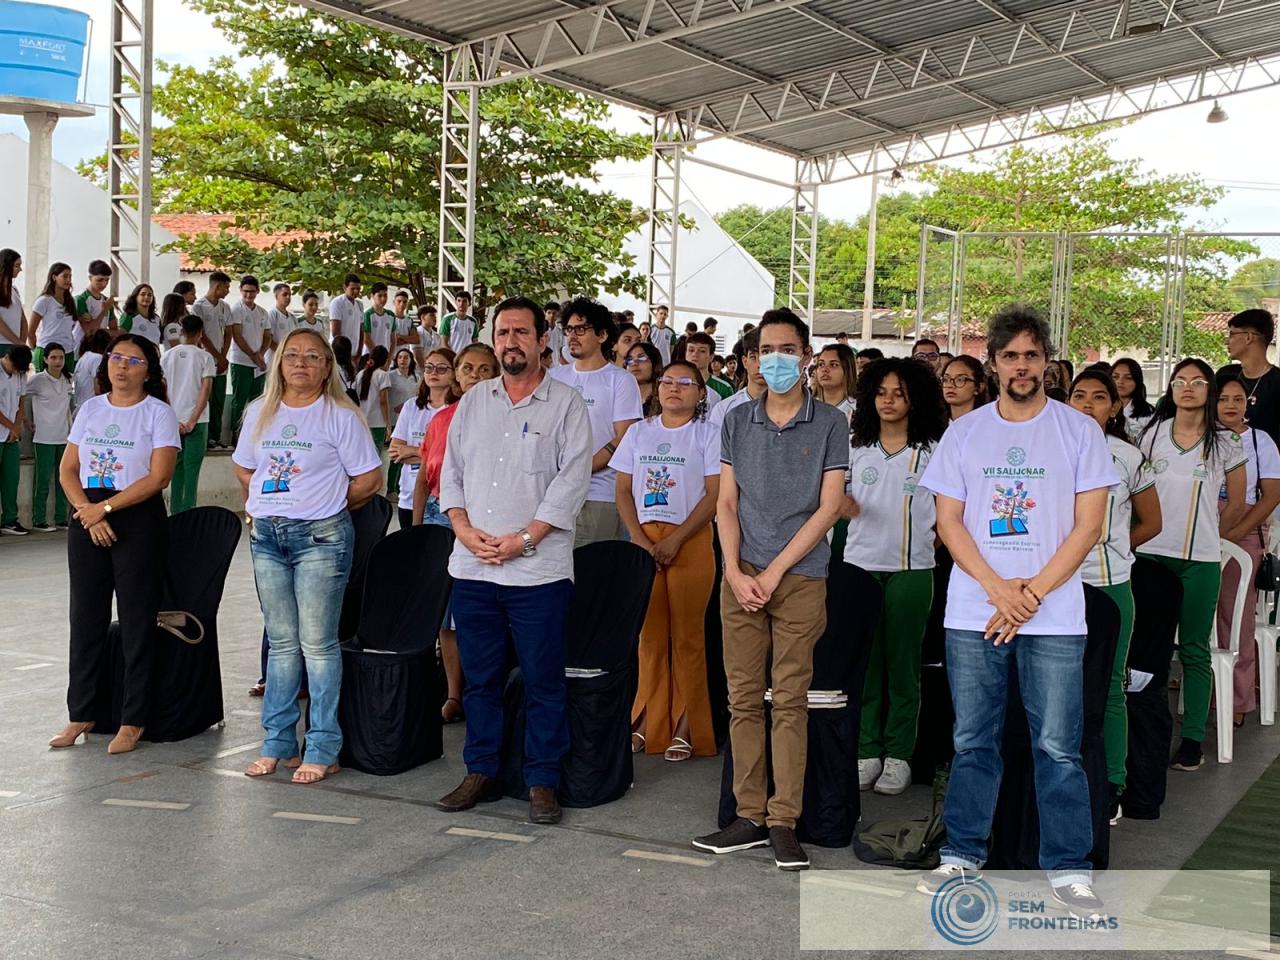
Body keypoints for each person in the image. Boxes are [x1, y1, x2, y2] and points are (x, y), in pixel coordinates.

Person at [916, 304, 1114, 918]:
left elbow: (1089, 527)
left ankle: (1069, 867)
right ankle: (963, 853)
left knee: (1058, 746)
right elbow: (948, 522)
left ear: (1046, 363)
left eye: (1031, 355)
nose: (1021, 366)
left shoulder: (1079, 430)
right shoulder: (966, 432)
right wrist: (1000, 590)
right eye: (1009, 356)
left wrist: (1026, 596)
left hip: (1054, 614)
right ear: (993, 364)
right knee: (973, 739)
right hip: (974, 609)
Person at [692, 308, 848, 872]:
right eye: (766, 349)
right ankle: (748, 815)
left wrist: (774, 570)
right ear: (753, 357)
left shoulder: (830, 424)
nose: (776, 359)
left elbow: (828, 508)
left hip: (799, 576)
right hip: (741, 575)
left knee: (788, 700)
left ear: (806, 357)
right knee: (741, 699)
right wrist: (734, 570)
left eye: (788, 349)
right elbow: (726, 503)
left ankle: (784, 820)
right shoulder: (735, 420)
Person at [435, 297, 592, 826]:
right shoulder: (474, 401)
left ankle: (542, 780)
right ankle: (480, 770)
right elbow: (450, 474)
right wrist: (461, 527)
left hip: (537, 571)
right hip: (473, 565)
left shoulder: (566, 404)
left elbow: (570, 483)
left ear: (541, 340)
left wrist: (526, 538)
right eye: (503, 333)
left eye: (522, 332)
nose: (511, 342)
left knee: (544, 680)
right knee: (480, 680)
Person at [234, 328, 382, 783]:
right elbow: (243, 466)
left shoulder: (340, 415)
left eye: (313, 357)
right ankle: (277, 743)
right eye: (292, 355)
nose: (301, 363)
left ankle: (322, 745)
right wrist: (271, 503)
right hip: (267, 539)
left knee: (317, 646)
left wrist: (326, 505)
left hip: (321, 540)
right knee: (281, 646)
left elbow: (369, 479)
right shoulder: (259, 411)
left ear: (326, 368)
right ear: (279, 363)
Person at [52, 335, 180, 753]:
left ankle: (133, 716)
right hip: (86, 514)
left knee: (136, 619)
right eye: (116, 358)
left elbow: (158, 478)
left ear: (149, 370)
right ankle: (81, 711)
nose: (122, 367)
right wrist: (86, 510)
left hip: (135, 516)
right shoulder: (90, 408)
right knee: (85, 617)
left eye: (134, 361)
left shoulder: (158, 413)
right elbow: (68, 468)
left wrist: (103, 509)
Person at [1135, 358, 1246, 772]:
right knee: (1146, 648)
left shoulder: (1226, 442)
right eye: (1180, 381)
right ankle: (1142, 730)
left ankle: (1193, 739)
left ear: (1209, 390)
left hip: (1199, 560)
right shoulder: (1150, 435)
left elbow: (1236, 503)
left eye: (1198, 382)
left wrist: (1211, 535)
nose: (1188, 388)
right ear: (1170, 388)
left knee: (1196, 649)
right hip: (1149, 555)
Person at [845, 358, 946, 795]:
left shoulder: (933, 452)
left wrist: (928, 544)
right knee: (866, 666)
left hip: (911, 570)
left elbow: (951, 516)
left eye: (899, 393)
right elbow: (835, 499)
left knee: (903, 667)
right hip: (859, 568)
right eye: (882, 392)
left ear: (915, 399)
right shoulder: (855, 448)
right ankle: (867, 751)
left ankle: (899, 755)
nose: (888, 401)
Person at [612, 359, 720, 762]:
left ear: (700, 393)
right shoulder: (639, 433)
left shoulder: (708, 435)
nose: (674, 388)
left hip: (689, 539)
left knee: (689, 637)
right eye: (668, 381)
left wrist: (676, 538)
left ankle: (687, 725)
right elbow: (623, 490)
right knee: (650, 637)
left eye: (685, 383)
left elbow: (713, 495)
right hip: (645, 539)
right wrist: (640, 539)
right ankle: (645, 719)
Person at [1068, 368, 1162, 823]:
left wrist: (1116, 546)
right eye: (1078, 395)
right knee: (1056, 686)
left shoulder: (1127, 456)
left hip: (1110, 585)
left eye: (1098, 397)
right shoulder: (1046, 453)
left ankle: (1111, 783)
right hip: (1057, 586)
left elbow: (1151, 521)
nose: (1087, 405)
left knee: (1109, 688)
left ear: (1116, 406)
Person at [412, 343, 499, 723]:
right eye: (468, 369)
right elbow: (422, 477)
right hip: (438, 517)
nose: (475, 376)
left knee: (479, 611)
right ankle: (453, 694)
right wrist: (417, 531)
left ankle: (487, 693)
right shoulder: (441, 419)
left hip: (483, 520)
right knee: (445, 614)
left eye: (485, 370)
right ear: (456, 376)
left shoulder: (504, 420)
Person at [1215, 372, 1280, 729]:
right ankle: (1203, 685)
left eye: (1238, 400)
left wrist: (1235, 532)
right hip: (1201, 530)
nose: (1230, 406)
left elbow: (1270, 495)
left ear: (1247, 405)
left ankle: (1237, 698)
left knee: (1235, 617)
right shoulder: (1202, 438)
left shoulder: (1260, 441)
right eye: (1223, 399)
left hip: (1244, 532)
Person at [549, 296, 642, 545]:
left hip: (599, 494)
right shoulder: (554, 377)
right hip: (553, 493)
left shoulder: (620, 380)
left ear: (602, 335)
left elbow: (625, 437)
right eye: (569, 329)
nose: (573, 336)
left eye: (581, 329)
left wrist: (581, 469)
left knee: (593, 575)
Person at [389, 347, 455, 530]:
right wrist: (434, 457)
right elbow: (395, 452)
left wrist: (411, 451)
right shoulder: (412, 406)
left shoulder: (458, 410)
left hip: (442, 498)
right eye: (429, 367)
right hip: (408, 496)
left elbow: (452, 459)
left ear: (454, 373)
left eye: (442, 368)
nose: (434, 372)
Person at [161, 307, 215, 514]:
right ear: (200, 333)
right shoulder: (204, 357)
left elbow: (163, 390)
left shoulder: (167, 356)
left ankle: (175, 513)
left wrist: (172, 418)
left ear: (181, 331)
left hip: (172, 420)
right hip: (198, 421)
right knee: (192, 472)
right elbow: (205, 390)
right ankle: (189, 512)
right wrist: (192, 419)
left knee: (176, 471)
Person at [24, 342, 73, 531]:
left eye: (61, 357)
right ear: (44, 359)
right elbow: (19, 396)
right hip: (43, 437)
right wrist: (26, 421)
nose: (57, 361)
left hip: (65, 437)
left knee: (64, 480)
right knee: (43, 480)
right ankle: (39, 520)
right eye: (53, 357)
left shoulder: (68, 380)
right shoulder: (37, 380)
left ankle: (61, 518)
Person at [1218, 307, 1280, 446]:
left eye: (1232, 334)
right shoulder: (1225, 375)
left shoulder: (1276, 382)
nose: (1227, 341)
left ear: (1248, 337)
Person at [227, 276, 272, 442]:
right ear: (240, 290)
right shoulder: (236, 309)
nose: (248, 295)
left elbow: (267, 336)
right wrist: (253, 356)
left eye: (252, 291)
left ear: (257, 292)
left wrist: (260, 354)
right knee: (239, 401)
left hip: (259, 364)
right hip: (241, 362)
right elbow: (237, 335)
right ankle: (236, 434)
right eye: (245, 291)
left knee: (256, 401)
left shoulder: (262, 312)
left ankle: (253, 433)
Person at [191, 272, 233, 448]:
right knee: (204, 398)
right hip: (206, 359)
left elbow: (229, 332)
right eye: (226, 287)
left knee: (218, 399)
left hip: (221, 360)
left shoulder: (225, 307)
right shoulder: (198, 306)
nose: (228, 291)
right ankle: (205, 437)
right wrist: (216, 355)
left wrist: (223, 356)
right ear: (217, 286)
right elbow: (202, 336)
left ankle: (216, 437)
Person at [0, 345, 31, 535]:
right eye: (14, 367)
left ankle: (9, 519)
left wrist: (17, 427)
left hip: (11, 436)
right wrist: (12, 426)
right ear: (7, 357)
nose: (16, 372)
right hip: (5, 429)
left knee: (11, 478)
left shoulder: (20, 374)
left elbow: (21, 401)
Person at [707, 327, 764, 432]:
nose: (760, 365)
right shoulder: (724, 409)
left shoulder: (791, 407)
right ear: (744, 361)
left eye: (765, 358)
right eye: (753, 357)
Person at [29, 263, 81, 373]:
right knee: (44, 387)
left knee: (65, 387)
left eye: (70, 276)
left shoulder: (71, 302)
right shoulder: (44, 301)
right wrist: (37, 350)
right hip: (47, 350)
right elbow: (31, 331)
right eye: (65, 276)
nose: (68, 280)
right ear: (54, 277)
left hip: (67, 351)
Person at [386, 347, 419, 499]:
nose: (403, 360)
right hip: (394, 418)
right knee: (396, 455)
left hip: (411, 421)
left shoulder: (416, 377)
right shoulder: (391, 376)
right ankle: (390, 488)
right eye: (400, 357)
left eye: (406, 357)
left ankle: (401, 487)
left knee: (409, 454)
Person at [74, 260, 117, 356]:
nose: (104, 284)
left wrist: (99, 331)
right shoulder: (81, 299)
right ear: (90, 278)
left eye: (107, 280)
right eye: (100, 280)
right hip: (81, 352)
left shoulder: (107, 300)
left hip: (101, 352)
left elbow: (115, 331)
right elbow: (89, 331)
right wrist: (104, 310)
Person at [357, 345, 392, 463]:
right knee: (375, 458)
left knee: (361, 457)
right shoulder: (382, 375)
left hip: (360, 421)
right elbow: (383, 401)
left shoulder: (360, 374)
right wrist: (388, 424)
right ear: (385, 359)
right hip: (377, 423)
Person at [1110, 357, 1155, 443]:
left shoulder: (1149, 414)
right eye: (1115, 377)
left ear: (1137, 381)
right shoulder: (1101, 408)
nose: (1120, 381)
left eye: (1128, 378)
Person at [813, 343, 857, 423]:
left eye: (833, 365)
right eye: (821, 364)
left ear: (847, 369)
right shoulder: (807, 408)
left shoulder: (858, 410)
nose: (824, 369)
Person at [683, 332, 727, 406]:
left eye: (702, 351)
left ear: (711, 357)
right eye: (691, 350)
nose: (695, 354)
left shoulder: (723, 388)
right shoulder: (673, 384)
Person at [941, 354, 989, 421]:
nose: (950, 385)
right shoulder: (934, 425)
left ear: (979, 387)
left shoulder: (987, 424)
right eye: (946, 379)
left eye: (960, 380)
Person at [0, 249, 27, 359]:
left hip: (14, 346)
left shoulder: (14, 290)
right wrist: (18, 342)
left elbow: (23, 321)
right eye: (17, 265)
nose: (20, 269)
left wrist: (22, 344)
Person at [624, 341, 662, 418]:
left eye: (641, 358)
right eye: (629, 359)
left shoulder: (664, 399)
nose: (634, 363)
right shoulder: (620, 397)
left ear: (655, 363)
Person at [74, 329, 110, 408]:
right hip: (91, 406)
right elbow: (98, 389)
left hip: (80, 405)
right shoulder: (97, 358)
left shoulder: (84, 357)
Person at [328, 274, 364, 352]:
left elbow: (361, 331)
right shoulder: (337, 303)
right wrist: (344, 354)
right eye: (352, 288)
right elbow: (335, 332)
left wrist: (359, 352)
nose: (356, 291)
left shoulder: (359, 305)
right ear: (345, 287)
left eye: (358, 289)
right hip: (339, 352)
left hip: (354, 351)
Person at [263, 283, 295, 371]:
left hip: (289, 361)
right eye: (284, 294)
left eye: (289, 295)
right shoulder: (272, 315)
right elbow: (268, 340)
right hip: (274, 360)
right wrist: (283, 353)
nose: (288, 297)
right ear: (276, 296)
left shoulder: (292, 318)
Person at [361, 282, 397, 356]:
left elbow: (393, 340)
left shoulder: (391, 315)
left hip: (385, 358)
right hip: (370, 356)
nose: (383, 299)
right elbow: (366, 339)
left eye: (385, 295)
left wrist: (389, 359)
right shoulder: (367, 314)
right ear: (372, 296)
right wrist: (377, 356)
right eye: (379, 296)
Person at [440, 291, 478, 355]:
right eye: (459, 301)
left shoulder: (473, 321)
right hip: (452, 358)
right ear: (455, 302)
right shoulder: (447, 319)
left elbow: (475, 342)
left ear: (469, 303)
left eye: (464, 301)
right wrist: (454, 357)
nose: (461, 304)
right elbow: (443, 343)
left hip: (466, 358)